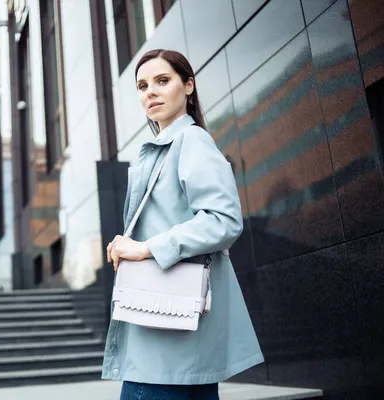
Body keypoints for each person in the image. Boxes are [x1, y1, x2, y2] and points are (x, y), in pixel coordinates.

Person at [102, 49, 264, 400]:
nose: (151, 92)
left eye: (163, 81)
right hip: (170, 326)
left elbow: (224, 220)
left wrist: (146, 247)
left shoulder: (191, 140)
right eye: (142, 85)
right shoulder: (162, 147)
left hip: (167, 330)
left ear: (188, 85)